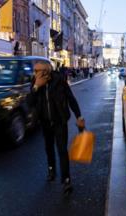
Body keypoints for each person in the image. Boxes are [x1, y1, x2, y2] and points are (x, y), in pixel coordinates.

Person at [29, 61, 85, 196]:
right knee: (48, 148)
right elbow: (29, 102)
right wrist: (36, 87)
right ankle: (51, 169)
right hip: (45, 122)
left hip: (60, 121)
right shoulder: (35, 82)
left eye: (38, 71)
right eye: (35, 71)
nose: (35, 73)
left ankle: (66, 181)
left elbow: (71, 99)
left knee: (62, 150)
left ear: (46, 71)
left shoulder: (59, 80)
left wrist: (79, 117)